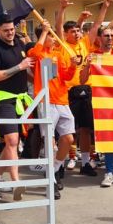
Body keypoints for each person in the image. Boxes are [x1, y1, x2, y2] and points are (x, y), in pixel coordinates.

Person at [57, 0, 111, 177]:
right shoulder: (62, 45)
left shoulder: (84, 43)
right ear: (66, 34)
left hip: (86, 90)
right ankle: (62, 163)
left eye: (78, 31)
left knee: (87, 128)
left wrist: (104, 7)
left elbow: (96, 26)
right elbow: (57, 27)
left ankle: (86, 162)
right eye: (72, 31)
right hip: (68, 92)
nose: (77, 34)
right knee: (68, 130)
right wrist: (63, 9)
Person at [27, 20, 79, 199]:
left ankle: (55, 168)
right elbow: (34, 53)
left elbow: (66, 76)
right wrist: (44, 32)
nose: (54, 38)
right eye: (51, 35)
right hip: (46, 101)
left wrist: (73, 64)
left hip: (62, 100)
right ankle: (52, 180)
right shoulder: (39, 52)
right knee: (50, 141)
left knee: (69, 138)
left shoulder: (58, 54)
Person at [0, 14, 32, 201]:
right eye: (6, 30)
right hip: (3, 99)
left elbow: (27, 68)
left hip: (21, 99)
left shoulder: (19, 42)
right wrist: (19, 67)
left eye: (12, 29)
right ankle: (15, 182)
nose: (10, 33)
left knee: (12, 143)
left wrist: (38, 80)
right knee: (12, 141)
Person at [80, 26, 113, 188]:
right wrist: (87, 66)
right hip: (103, 102)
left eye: (112, 35)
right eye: (106, 35)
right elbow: (82, 80)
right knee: (109, 137)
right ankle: (110, 172)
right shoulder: (93, 56)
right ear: (99, 38)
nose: (110, 38)